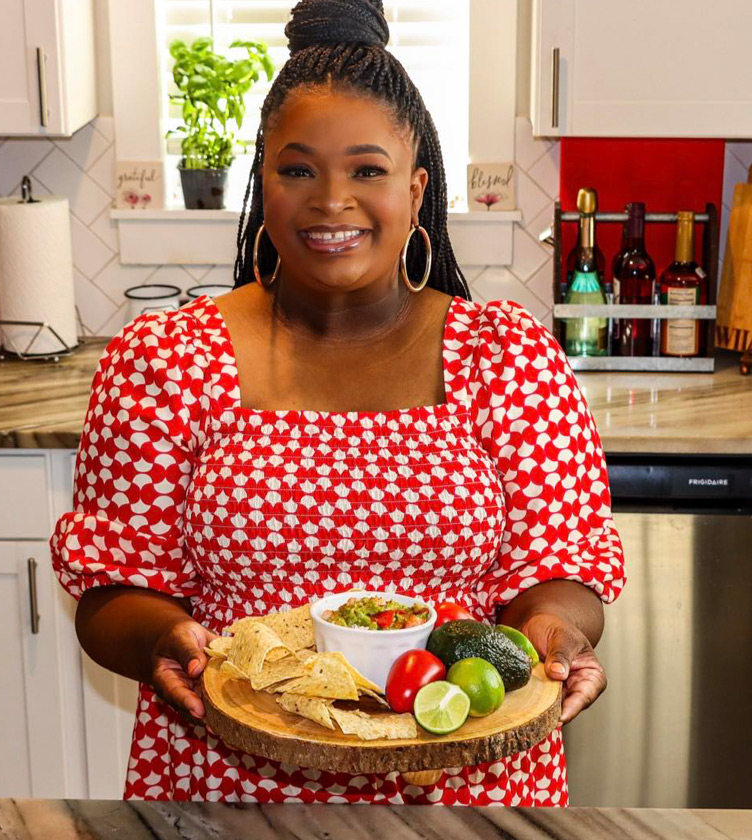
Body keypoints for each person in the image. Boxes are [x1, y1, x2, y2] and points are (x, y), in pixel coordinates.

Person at [51, 0, 625, 805]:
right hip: (229, 782)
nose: (331, 200)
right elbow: (112, 590)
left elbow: (558, 566)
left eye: (367, 169)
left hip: (462, 780)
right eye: (297, 170)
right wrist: (159, 638)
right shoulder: (167, 362)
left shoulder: (507, 359)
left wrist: (556, 635)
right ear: (265, 184)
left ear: (417, 187)